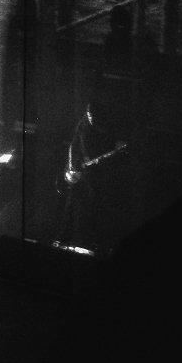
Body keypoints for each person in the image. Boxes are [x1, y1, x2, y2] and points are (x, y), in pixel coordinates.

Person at [56, 102, 125, 252]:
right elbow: (73, 145)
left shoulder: (107, 130)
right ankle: (63, 239)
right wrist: (71, 166)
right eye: (88, 115)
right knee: (71, 206)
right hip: (79, 171)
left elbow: (108, 157)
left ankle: (86, 242)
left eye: (93, 116)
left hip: (95, 176)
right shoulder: (84, 124)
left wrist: (94, 165)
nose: (90, 118)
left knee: (90, 207)